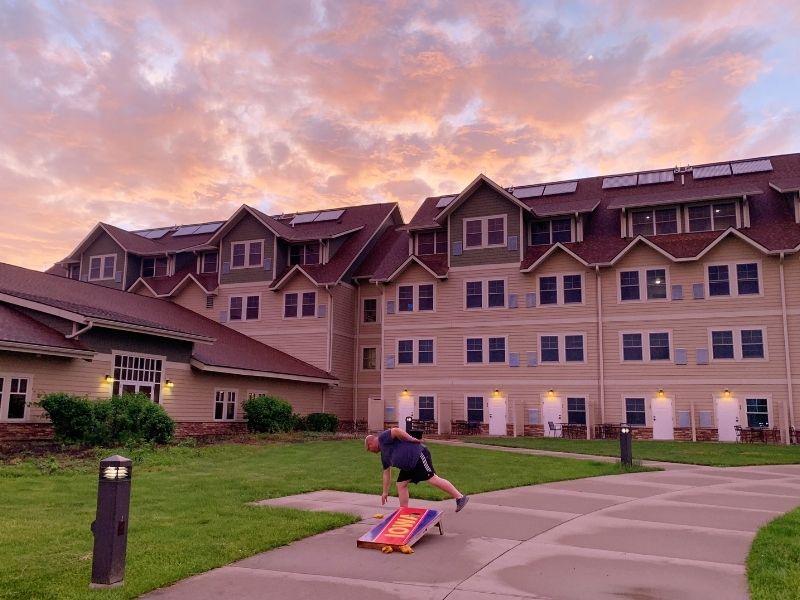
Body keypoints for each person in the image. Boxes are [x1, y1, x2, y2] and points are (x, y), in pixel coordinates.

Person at [364, 427, 469, 512]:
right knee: (401, 484)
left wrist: (410, 439)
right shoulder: (384, 456)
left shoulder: (382, 438)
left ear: (371, 443)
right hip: (409, 466)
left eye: (369, 449)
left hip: (418, 455)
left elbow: (396, 431)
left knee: (432, 478)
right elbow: (386, 473)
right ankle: (404, 511)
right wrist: (385, 492)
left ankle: (460, 497)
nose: (371, 451)